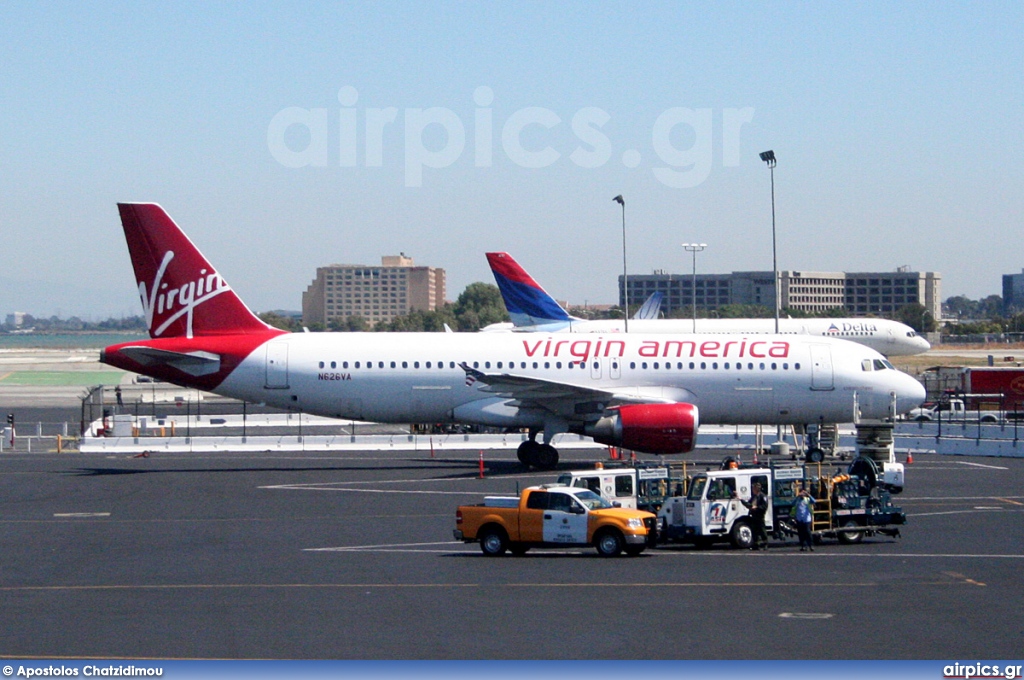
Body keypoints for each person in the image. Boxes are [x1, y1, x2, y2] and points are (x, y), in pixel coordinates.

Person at [740, 482, 769, 550]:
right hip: (753, 515)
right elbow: (749, 504)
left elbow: (764, 506)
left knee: (762, 530)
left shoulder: (762, 496)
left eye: (754, 488)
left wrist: (757, 507)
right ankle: (756, 544)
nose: (753, 490)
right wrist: (741, 500)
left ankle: (765, 544)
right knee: (754, 531)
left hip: (760, 516)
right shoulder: (753, 497)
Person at [793, 487, 815, 552]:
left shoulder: (807, 499)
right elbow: (792, 504)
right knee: (801, 533)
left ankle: (811, 545)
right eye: (801, 492)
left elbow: (814, 501)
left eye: (803, 493)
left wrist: (808, 495)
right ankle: (803, 546)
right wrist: (797, 496)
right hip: (799, 518)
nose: (802, 494)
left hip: (806, 519)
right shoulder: (797, 500)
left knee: (808, 532)